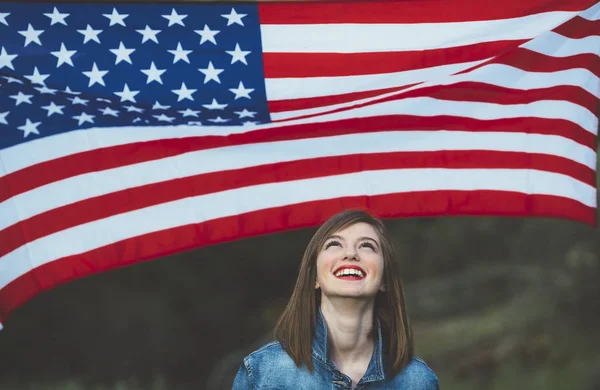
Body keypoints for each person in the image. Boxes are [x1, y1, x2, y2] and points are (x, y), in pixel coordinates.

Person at [232, 210, 439, 389]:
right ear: (314, 277)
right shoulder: (262, 373)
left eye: (366, 246)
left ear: (384, 279)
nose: (350, 254)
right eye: (334, 244)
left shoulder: (418, 381)